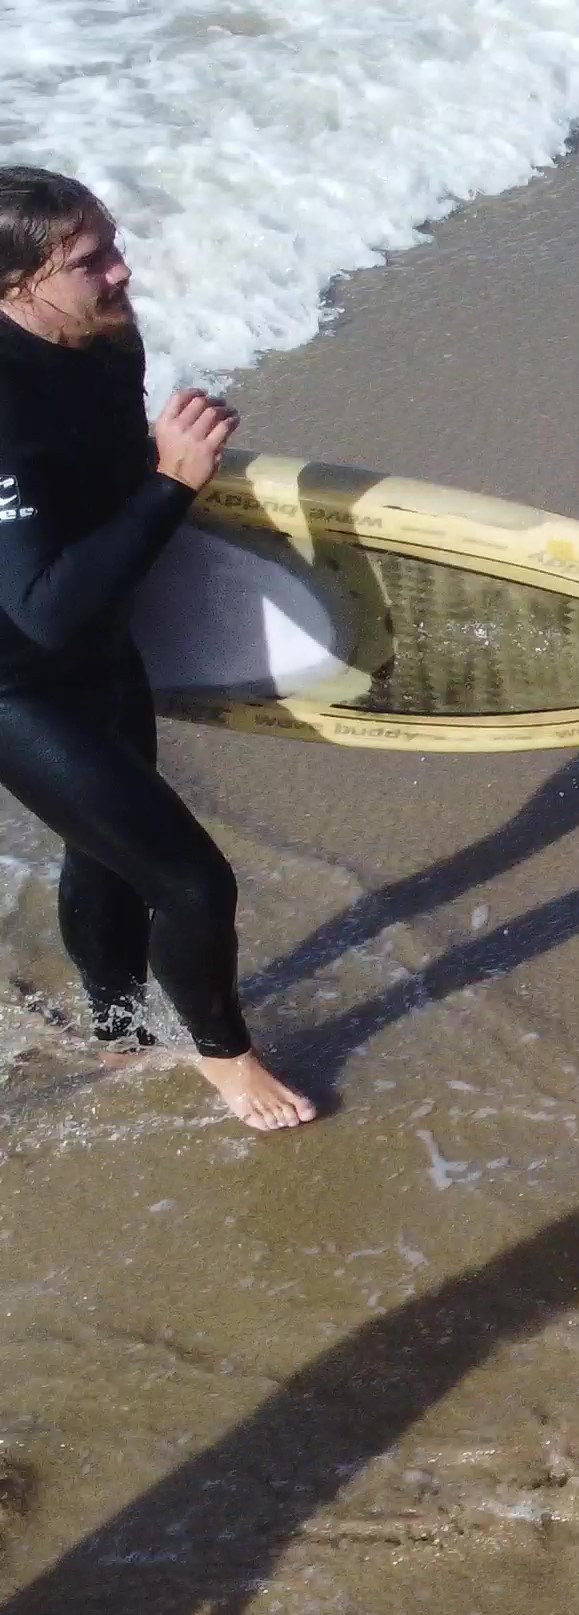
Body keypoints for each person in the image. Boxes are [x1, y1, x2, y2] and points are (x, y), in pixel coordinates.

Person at [0, 168, 312, 1131]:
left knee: (105, 852)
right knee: (192, 881)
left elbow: (92, 479)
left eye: (114, 246)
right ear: (13, 285)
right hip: (16, 684)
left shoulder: (106, 336)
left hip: (104, 649)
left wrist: (164, 465)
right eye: (90, 262)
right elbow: (42, 611)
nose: (122, 273)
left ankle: (118, 1035)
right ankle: (228, 1061)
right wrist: (173, 483)